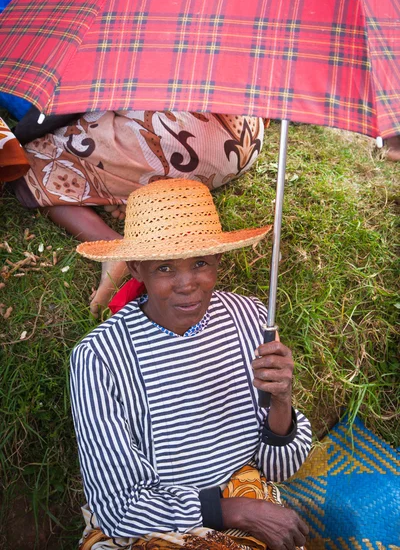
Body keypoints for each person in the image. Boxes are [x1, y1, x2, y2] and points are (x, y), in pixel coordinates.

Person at [71, 178, 312, 550]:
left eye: (200, 262)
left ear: (217, 259)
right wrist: (233, 512)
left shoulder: (251, 320)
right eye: (165, 268)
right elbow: (116, 507)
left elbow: (279, 470)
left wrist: (281, 400)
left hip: (245, 496)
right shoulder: (99, 358)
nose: (187, 284)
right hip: (153, 526)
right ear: (137, 269)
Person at [9, 109, 265, 316]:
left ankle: (112, 244)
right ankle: (122, 186)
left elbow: (63, 108)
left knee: (28, 160)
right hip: (245, 137)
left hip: (183, 139)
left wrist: (19, 135)